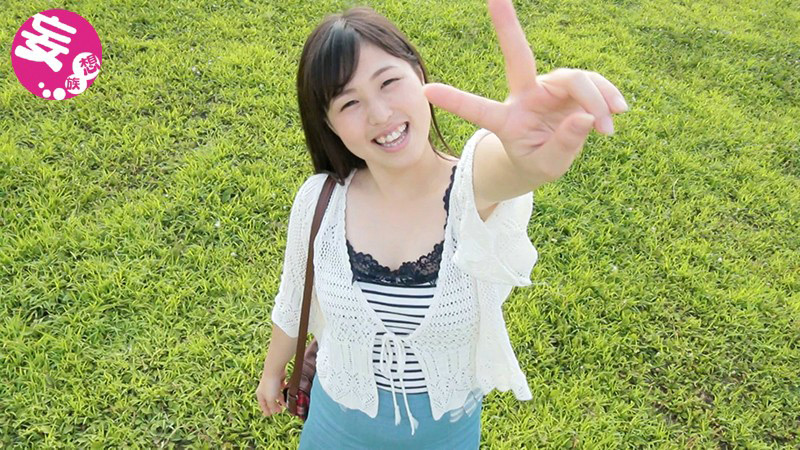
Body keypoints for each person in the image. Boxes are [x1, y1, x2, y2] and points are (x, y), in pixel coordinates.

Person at [256, 0, 628, 448]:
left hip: (445, 436)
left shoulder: (472, 191)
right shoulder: (320, 201)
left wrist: (527, 153)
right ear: (330, 125)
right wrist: (272, 371)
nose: (379, 114)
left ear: (418, 73)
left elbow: (505, 168)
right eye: (349, 102)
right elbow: (295, 294)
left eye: (388, 82)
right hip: (333, 429)